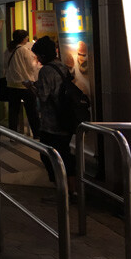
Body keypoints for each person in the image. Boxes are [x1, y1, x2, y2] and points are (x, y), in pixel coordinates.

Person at [25, 36, 77, 195]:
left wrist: (30, 87)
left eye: (38, 55)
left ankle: (61, 188)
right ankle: (73, 189)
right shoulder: (62, 66)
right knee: (65, 154)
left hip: (52, 122)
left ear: (43, 55)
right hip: (67, 118)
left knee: (49, 155)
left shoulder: (46, 71)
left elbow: (43, 96)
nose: (37, 58)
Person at [3, 29, 41, 137]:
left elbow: (5, 66)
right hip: (25, 85)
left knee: (13, 112)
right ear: (24, 38)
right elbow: (32, 66)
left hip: (11, 85)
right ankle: (37, 134)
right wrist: (36, 61)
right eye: (27, 37)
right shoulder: (24, 51)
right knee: (31, 111)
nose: (28, 39)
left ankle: (12, 135)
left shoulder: (8, 50)